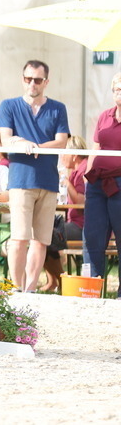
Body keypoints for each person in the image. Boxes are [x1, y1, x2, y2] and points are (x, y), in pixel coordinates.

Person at [0, 60, 70, 292]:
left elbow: (62, 141)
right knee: (18, 238)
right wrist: (20, 141)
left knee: (41, 240)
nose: (32, 84)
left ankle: (30, 290)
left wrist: (33, 145)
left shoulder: (58, 108)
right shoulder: (9, 105)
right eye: (28, 79)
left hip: (48, 180)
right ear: (22, 79)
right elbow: (5, 140)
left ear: (46, 82)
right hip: (21, 180)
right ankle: (16, 288)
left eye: (37, 80)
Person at [83, 74, 121, 280]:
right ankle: (91, 285)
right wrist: (88, 174)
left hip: (119, 183)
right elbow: (96, 146)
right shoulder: (105, 115)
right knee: (92, 236)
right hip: (98, 183)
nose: (118, 92)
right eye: (116, 88)